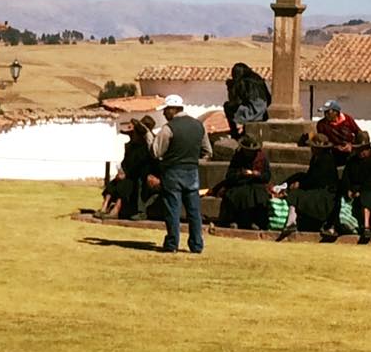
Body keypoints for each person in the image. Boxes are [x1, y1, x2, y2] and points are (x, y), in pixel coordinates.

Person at [145, 94, 212, 254]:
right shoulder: (199, 126)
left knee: (172, 209)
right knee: (194, 211)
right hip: (192, 172)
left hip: (173, 172)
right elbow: (208, 151)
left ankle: (172, 243)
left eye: (165, 110)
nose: (163, 114)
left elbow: (156, 152)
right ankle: (196, 244)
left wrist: (147, 135)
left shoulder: (168, 128)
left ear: (172, 110)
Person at [97, 116, 159, 220]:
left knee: (126, 184)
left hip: (137, 174)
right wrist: (121, 172)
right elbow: (126, 162)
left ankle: (116, 209)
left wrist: (126, 174)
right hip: (128, 172)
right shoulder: (132, 146)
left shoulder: (148, 146)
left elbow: (142, 164)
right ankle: (104, 206)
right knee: (114, 183)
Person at [282, 134, 342, 237]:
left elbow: (317, 180)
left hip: (325, 193)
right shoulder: (316, 158)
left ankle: (291, 222)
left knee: (296, 194)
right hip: (317, 188)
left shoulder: (326, 159)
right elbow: (310, 176)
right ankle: (291, 221)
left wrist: (301, 185)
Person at [211, 135, 271, 229]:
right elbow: (230, 175)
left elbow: (267, 177)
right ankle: (234, 220)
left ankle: (255, 221)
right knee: (235, 195)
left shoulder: (261, 158)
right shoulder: (238, 157)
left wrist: (257, 174)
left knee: (257, 195)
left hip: (256, 183)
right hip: (239, 183)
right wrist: (240, 173)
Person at [223, 63, 272, 139]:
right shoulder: (258, 78)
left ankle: (234, 133)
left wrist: (231, 88)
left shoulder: (242, 82)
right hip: (264, 113)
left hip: (253, 114)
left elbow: (236, 101)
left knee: (227, 106)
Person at [316, 100, 360, 165]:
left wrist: (351, 145)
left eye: (328, 112)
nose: (326, 114)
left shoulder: (347, 119)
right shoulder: (321, 125)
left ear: (335, 112)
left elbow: (358, 133)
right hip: (334, 155)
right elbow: (323, 142)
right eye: (325, 112)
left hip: (351, 152)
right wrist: (335, 147)